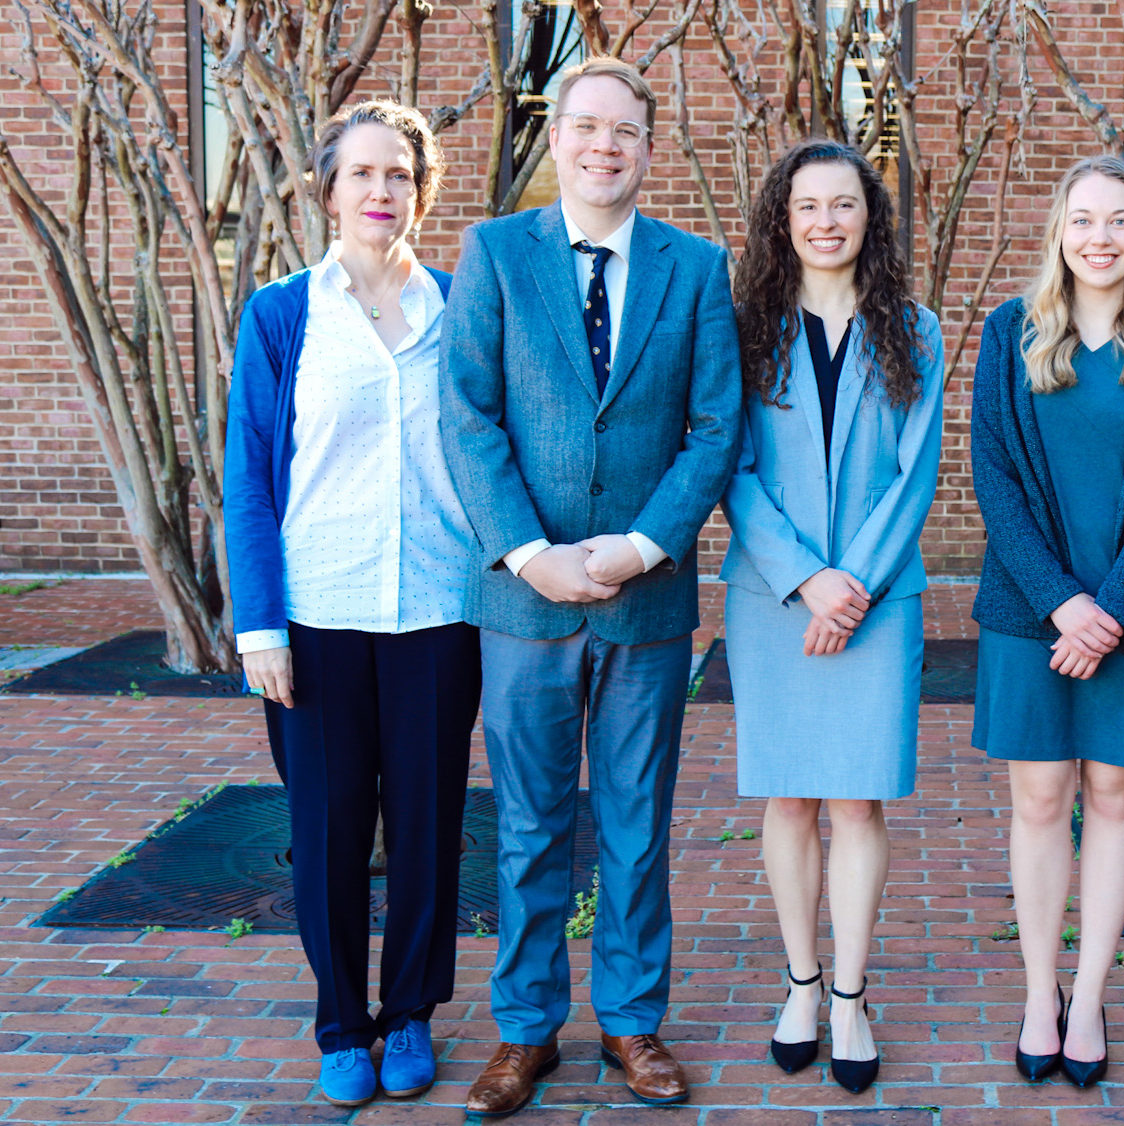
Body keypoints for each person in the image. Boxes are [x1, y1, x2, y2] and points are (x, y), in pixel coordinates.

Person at [438, 57, 742, 1116]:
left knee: (635, 823)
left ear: (647, 148)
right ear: (556, 136)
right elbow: (468, 417)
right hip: (524, 601)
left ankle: (630, 1023)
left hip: (645, 599)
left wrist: (645, 544)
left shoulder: (695, 267)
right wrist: (530, 552)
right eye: (586, 127)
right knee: (526, 822)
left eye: (625, 131)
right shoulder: (493, 255)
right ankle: (525, 1031)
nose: (604, 146)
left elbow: (714, 427)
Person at [223, 100, 478, 1108]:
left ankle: (409, 1014)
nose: (382, 192)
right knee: (328, 827)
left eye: (399, 177)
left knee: (425, 822)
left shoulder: (460, 309)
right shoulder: (284, 313)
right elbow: (248, 476)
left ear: (421, 193)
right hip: (317, 616)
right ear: (327, 191)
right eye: (362, 174)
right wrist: (258, 626)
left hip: (436, 611)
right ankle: (342, 1021)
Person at [970, 155, 1124, 1088]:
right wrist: (1062, 603)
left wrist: (1106, 611)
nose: (1099, 239)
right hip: (1030, 614)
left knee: (1115, 796)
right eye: (1082, 220)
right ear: (1057, 231)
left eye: (1118, 221)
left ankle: (1091, 989)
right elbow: (993, 472)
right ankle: (1040, 992)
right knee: (1037, 801)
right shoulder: (1009, 331)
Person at [720, 139, 945, 1094]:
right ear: (782, 219)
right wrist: (806, 581)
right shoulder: (743, 328)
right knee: (789, 797)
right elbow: (729, 468)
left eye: (843, 204)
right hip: (774, 602)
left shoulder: (915, 330)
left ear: (869, 219)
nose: (824, 221)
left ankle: (850, 997)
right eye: (806, 205)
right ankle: (802, 985)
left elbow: (917, 471)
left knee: (855, 800)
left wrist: (849, 582)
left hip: (878, 599)